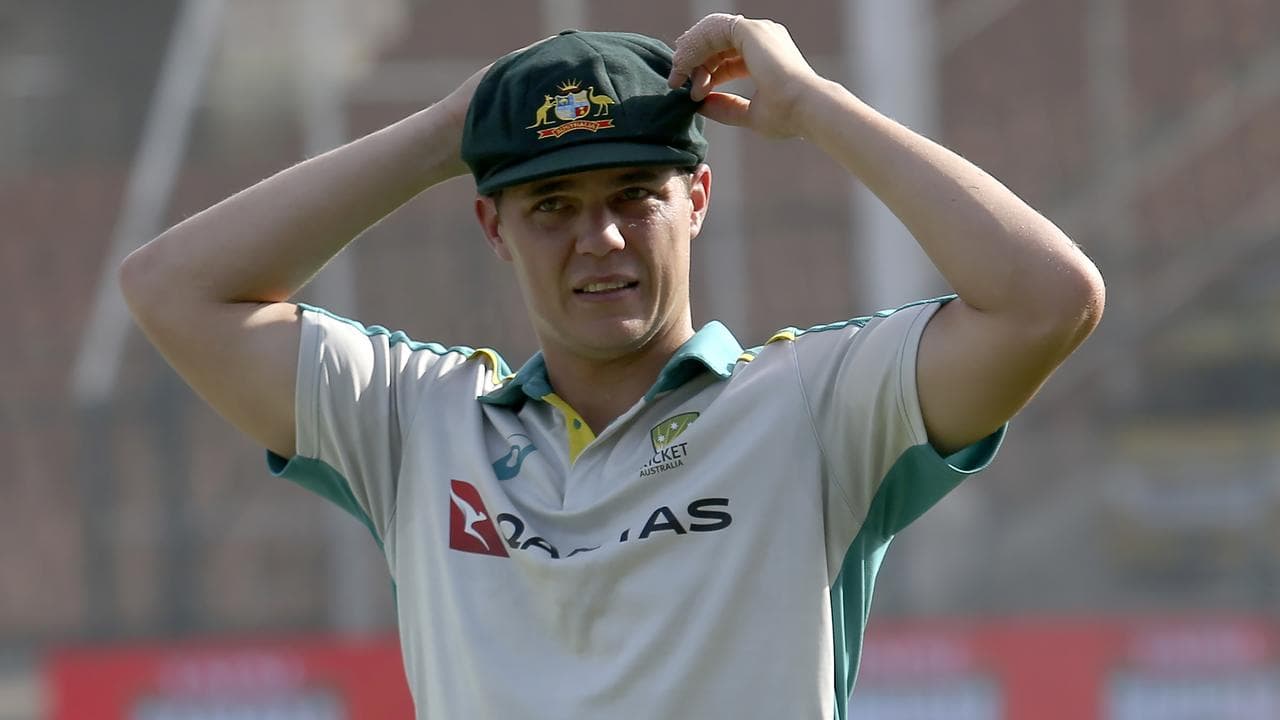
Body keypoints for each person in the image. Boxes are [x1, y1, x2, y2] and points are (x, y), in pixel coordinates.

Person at [120, 13, 1104, 719]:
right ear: (491, 227)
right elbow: (171, 288)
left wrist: (812, 104)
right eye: (551, 206)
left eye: (635, 194)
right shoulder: (416, 419)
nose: (599, 238)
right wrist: (445, 134)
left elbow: (1047, 300)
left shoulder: (815, 405)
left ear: (697, 200)